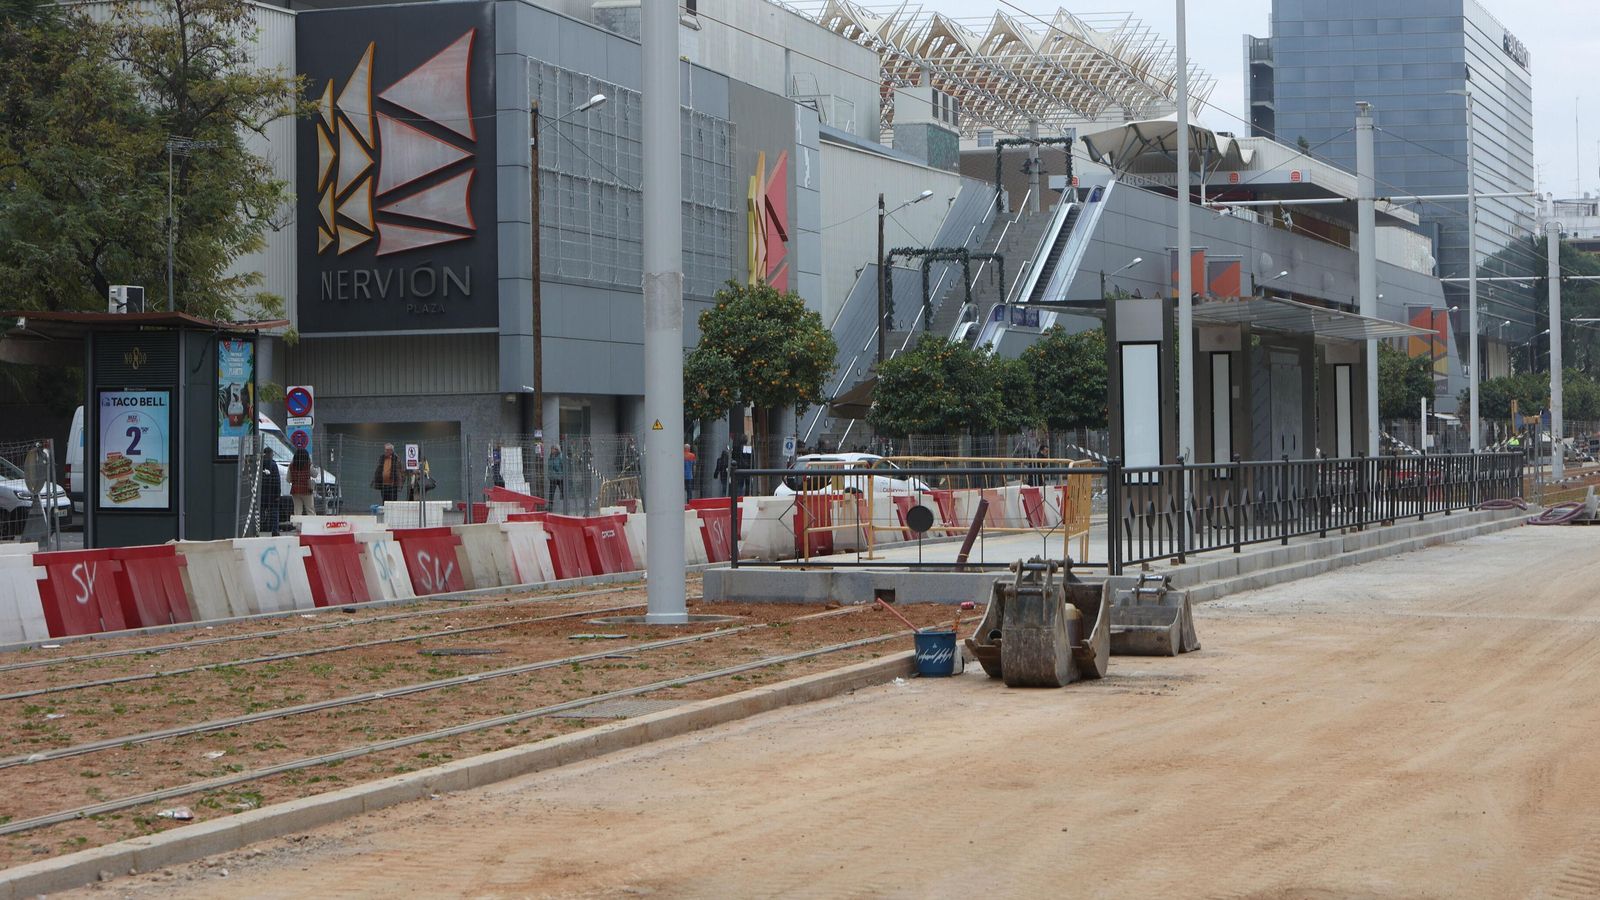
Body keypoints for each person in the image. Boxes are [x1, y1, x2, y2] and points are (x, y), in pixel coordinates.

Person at [259, 447, 282, 536]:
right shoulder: (273, 465)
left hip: (261, 493)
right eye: (272, 454)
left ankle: (257, 529)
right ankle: (275, 531)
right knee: (274, 513)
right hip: (272, 493)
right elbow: (277, 480)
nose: (273, 455)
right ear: (269, 454)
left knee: (260, 512)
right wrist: (278, 494)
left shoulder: (259, 464)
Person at [289, 448, 314, 517]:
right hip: (307, 490)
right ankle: (312, 523)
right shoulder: (309, 465)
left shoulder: (291, 466)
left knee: (297, 510)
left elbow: (289, 479)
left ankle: (297, 523)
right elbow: (315, 474)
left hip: (295, 490)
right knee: (310, 510)